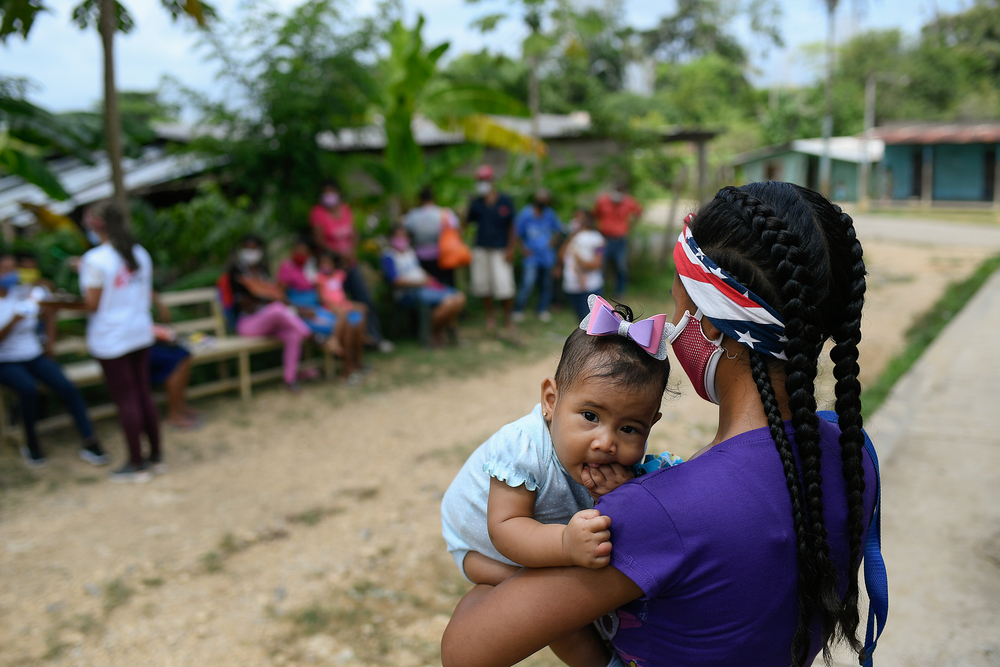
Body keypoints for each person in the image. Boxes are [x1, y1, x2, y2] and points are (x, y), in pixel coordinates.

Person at [442, 182, 880, 667]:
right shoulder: (852, 455)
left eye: (677, 308)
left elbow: (464, 651)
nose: (672, 328)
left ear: (709, 325)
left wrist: (497, 579)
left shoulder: (660, 513)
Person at [441, 299, 672, 665]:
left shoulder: (617, 467)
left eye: (629, 429)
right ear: (551, 400)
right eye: (590, 416)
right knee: (553, 612)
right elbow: (506, 527)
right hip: (482, 548)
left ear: (651, 424)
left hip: (554, 537)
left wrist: (621, 496)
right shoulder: (523, 447)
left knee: (583, 594)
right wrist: (565, 544)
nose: (606, 442)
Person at [79, 200, 161, 483]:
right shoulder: (139, 253)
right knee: (143, 394)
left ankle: (136, 463)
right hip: (139, 331)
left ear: (96, 225)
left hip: (112, 338)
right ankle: (156, 456)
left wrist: (56, 304)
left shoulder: (95, 259)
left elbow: (92, 304)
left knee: (126, 399)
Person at [0, 254, 107, 468]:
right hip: (6, 361)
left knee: (67, 387)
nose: (11, 273)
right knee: (29, 390)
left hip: (34, 355)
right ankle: (31, 444)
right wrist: (14, 321)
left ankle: (90, 441)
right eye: (5, 269)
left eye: (14, 269)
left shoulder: (23, 292)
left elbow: (50, 304)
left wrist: (49, 342)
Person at [309, 179, 393, 353]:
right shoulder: (318, 213)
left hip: (350, 265)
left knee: (364, 300)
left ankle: (373, 338)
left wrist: (351, 253)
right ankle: (344, 344)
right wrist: (340, 255)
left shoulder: (345, 209)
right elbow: (319, 240)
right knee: (337, 304)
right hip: (331, 269)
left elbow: (354, 233)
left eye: (332, 192)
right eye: (326, 192)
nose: (329, 196)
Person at [228, 234, 316, 393]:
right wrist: (265, 297)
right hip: (248, 324)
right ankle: (311, 336)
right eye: (247, 248)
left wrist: (293, 307)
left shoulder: (262, 270)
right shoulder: (236, 272)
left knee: (292, 335)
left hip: (269, 324)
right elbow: (245, 304)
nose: (250, 252)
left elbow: (276, 294)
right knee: (276, 308)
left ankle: (290, 379)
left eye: (254, 248)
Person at [382, 224, 466, 347]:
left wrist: (429, 279)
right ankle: (432, 333)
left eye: (404, 236)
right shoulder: (388, 255)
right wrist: (420, 283)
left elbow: (417, 270)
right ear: (391, 238)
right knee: (450, 302)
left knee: (458, 297)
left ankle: (436, 332)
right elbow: (395, 281)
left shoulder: (410, 252)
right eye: (398, 236)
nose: (401, 239)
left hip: (425, 287)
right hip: (409, 293)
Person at [465, 165, 517, 335]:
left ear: (492, 181)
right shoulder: (476, 203)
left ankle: (507, 318)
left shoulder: (505, 201)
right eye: (479, 181)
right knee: (483, 285)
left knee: (504, 285)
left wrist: (510, 249)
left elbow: (512, 226)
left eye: (484, 180)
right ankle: (490, 316)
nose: (482, 184)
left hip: (500, 250)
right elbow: (467, 223)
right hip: (481, 249)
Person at [275, 237, 341, 354]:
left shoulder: (311, 267)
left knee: (345, 321)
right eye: (298, 250)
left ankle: (347, 357)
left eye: (304, 251)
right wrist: (299, 310)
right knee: (333, 326)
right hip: (301, 313)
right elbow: (280, 294)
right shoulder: (287, 267)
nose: (300, 253)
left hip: (317, 310)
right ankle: (337, 352)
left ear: (310, 253)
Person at [512, 189, 563, 323]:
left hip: (546, 255)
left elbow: (559, 230)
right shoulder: (525, 214)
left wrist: (552, 242)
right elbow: (516, 233)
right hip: (531, 256)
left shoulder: (549, 214)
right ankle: (518, 309)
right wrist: (522, 248)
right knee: (528, 282)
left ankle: (541, 309)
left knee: (546, 284)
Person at [316, 252, 368, 383]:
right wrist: (335, 306)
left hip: (343, 304)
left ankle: (364, 338)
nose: (325, 265)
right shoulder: (320, 278)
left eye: (328, 263)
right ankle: (336, 339)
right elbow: (322, 298)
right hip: (330, 306)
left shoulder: (339, 275)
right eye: (322, 263)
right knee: (344, 316)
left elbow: (347, 267)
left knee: (363, 308)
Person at [404, 185, 461, 287]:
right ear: (434, 198)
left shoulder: (412, 215)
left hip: (421, 257)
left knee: (427, 286)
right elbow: (456, 229)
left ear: (420, 200)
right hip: (443, 256)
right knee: (446, 286)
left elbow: (404, 230)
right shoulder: (444, 213)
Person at [593, 181, 642, 298]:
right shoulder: (602, 201)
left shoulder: (628, 201)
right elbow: (595, 215)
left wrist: (630, 226)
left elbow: (638, 212)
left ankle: (619, 292)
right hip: (604, 239)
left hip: (620, 240)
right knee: (600, 265)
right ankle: (598, 292)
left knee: (621, 267)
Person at [559, 209, 605, 320]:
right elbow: (561, 257)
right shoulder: (572, 237)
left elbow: (597, 263)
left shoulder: (596, 238)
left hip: (590, 286)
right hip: (572, 285)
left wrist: (580, 262)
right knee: (581, 320)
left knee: (590, 320)